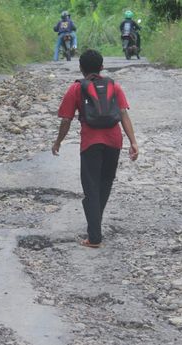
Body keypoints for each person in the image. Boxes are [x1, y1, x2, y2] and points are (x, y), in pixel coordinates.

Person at [52, 49, 139, 248]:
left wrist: (58, 141)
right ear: (102, 67)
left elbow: (66, 119)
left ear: (81, 68)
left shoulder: (76, 89)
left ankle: (94, 237)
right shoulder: (114, 86)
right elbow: (124, 114)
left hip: (91, 143)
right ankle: (95, 225)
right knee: (105, 184)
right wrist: (133, 141)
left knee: (91, 188)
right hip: (114, 141)